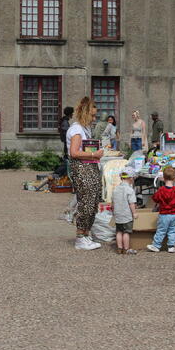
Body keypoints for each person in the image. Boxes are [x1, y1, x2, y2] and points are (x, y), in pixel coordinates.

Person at [67, 96, 105, 250]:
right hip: (81, 168)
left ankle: (86, 233)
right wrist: (93, 154)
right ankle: (80, 237)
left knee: (93, 199)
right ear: (85, 113)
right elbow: (74, 152)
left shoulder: (85, 128)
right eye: (92, 115)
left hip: (90, 166)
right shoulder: (76, 129)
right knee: (86, 201)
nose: (94, 119)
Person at [147, 166, 175, 253]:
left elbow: (155, 198)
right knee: (172, 231)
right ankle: (171, 246)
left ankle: (156, 245)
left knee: (161, 230)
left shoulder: (161, 190)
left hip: (164, 214)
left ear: (163, 178)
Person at [113, 170, 138, 255]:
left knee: (119, 232)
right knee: (126, 232)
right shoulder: (129, 190)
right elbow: (131, 203)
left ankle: (119, 248)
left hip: (118, 215)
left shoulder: (116, 189)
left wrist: (114, 211)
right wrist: (134, 213)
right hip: (126, 215)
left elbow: (113, 203)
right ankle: (126, 249)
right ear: (130, 178)